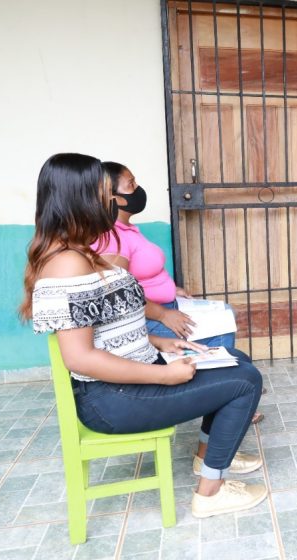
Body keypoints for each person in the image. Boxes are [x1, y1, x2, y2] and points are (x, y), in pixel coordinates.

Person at [20, 153, 266, 518]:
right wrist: (164, 374)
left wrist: (159, 341)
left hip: (129, 379)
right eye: (105, 194)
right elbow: (80, 358)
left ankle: (205, 458)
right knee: (245, 380)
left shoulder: (78, 253)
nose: (112, 203)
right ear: (81, 199)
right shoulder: (68, 264)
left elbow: (105, 326)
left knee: (237, 362)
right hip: (114, 399)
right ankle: (210, 493)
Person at [91, 161, 264, 424]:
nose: (137, 189)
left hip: (168, 306)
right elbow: (118, 296)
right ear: (112, 197)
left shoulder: (128, 230)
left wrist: (173, 289)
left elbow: (143, 277)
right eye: (131, 184)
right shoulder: (111, 238)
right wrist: (162, 314)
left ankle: (233, 387)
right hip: (150, 319)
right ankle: (224, 398)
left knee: (223, 313)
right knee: (221, 327)